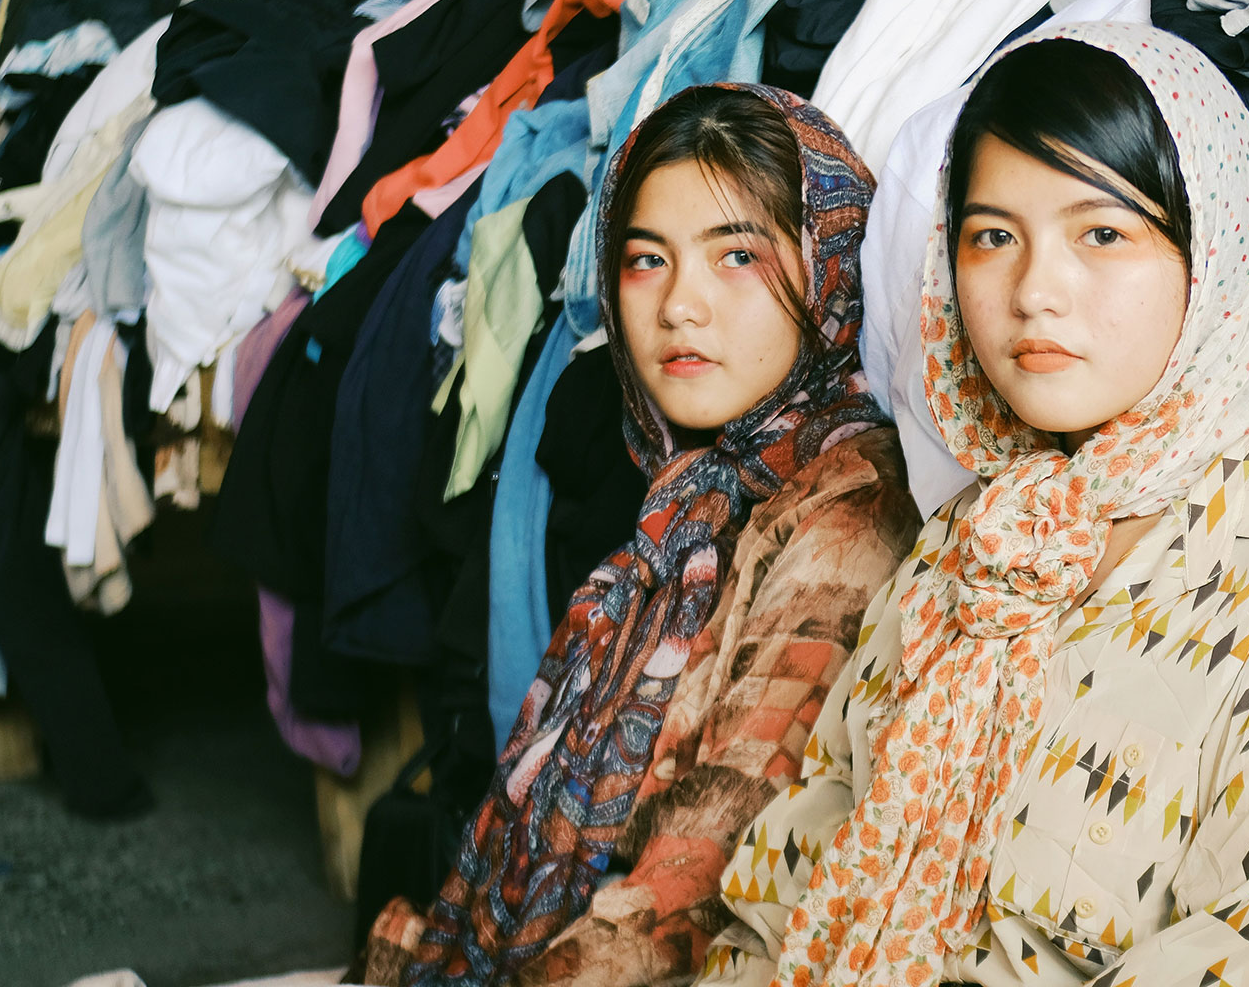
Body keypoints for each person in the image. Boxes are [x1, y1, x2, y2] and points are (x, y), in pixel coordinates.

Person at [701, 22, 1249, 987]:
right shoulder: (977, 535)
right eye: (993, 237)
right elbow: (800, 859)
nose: (1035, 291)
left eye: (1102, 233)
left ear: (1213, 259)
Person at [366, 85, 919, 987]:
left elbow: (698, 887)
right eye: (644, 260)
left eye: (736, 255)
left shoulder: (849, 521)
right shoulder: (687, 496)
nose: (678, 308)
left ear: (831, 264)